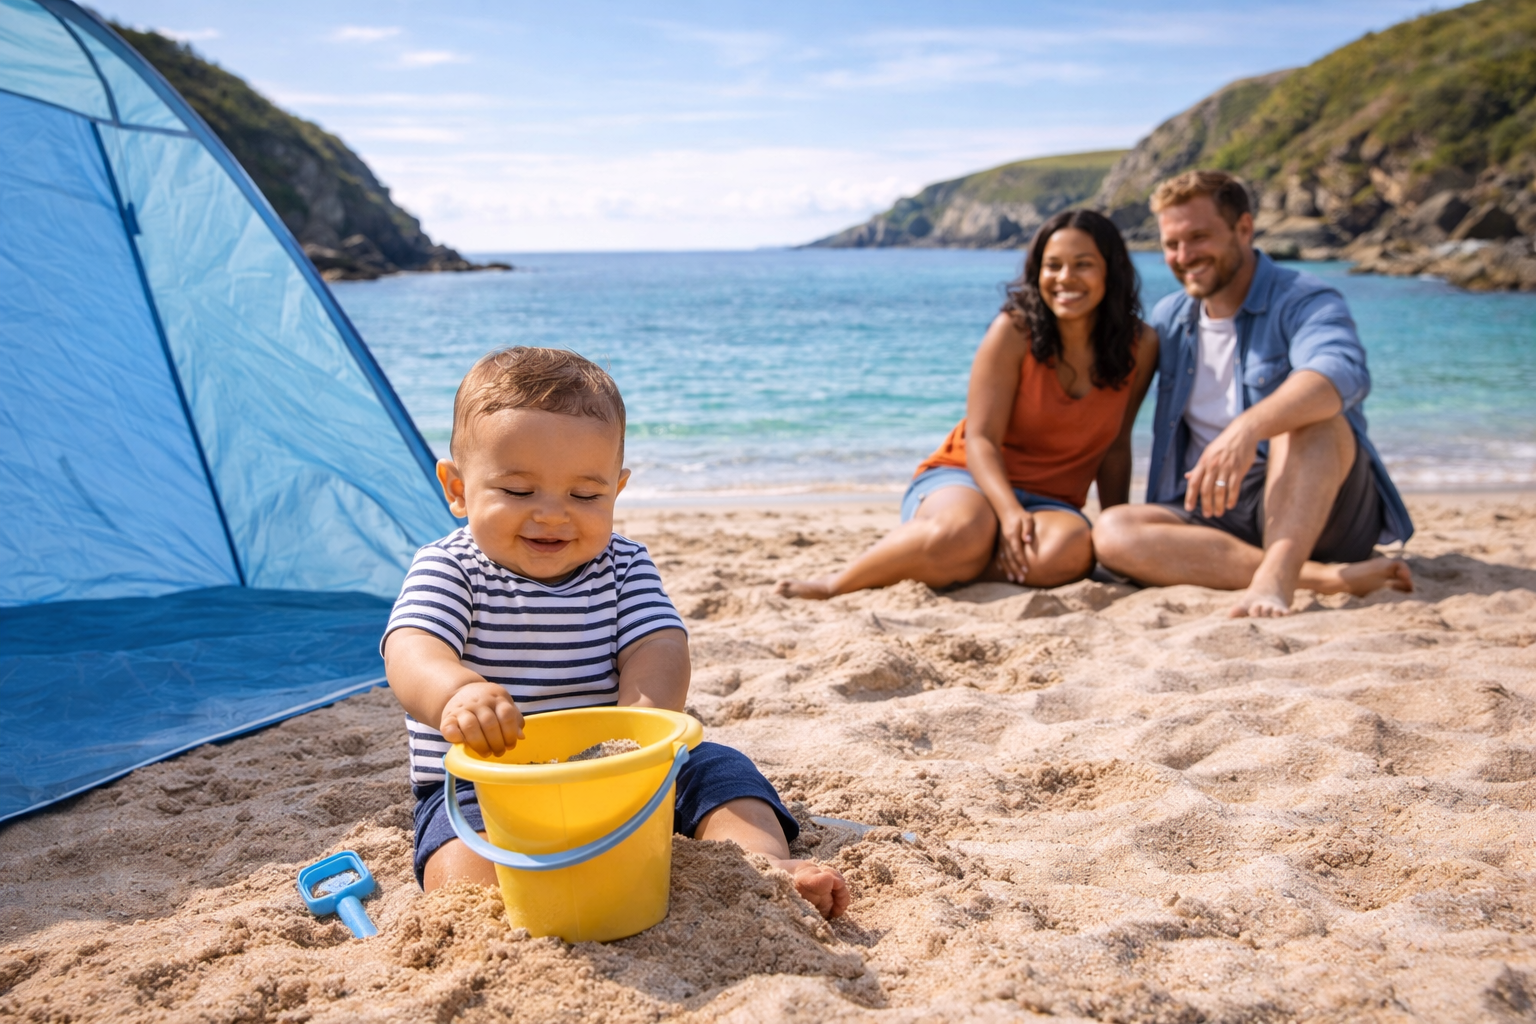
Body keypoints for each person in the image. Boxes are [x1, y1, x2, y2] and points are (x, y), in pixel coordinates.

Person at [383, 347, 849, 919]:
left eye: (585, 495)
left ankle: (760, 864)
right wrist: (455, 692)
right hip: (494, 783)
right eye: (519, 491)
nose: (553, 514)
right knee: (459, 866)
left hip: (625, 773)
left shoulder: (623, 564)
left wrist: (641, 724)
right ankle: (484, 914)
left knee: (720, 773)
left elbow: (657, 644)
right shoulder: (450, 567)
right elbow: (411, 648)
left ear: (617, 489)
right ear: (457, 488)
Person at [778, 210, 1157, 600]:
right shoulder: (1013, 330)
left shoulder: (1140, 346)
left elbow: (1116, 446)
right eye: (1053, 265)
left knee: (1070, 553)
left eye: (1083, 265)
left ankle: (957, 560)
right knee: (963, 531)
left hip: (1052, 502)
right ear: (1037, 272)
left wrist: (1117, 541)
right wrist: (1009, 514)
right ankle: (835, 584)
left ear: (1111, 271)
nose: (1065, 278)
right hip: (966, 478)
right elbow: (981, 439)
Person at [1093, 170, 1415, 617]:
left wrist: (1248, 428)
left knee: (1309, 419)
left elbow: (1340, 371)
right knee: (1112, 532)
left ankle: (1278, 579)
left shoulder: (1304, 299)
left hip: (1322, 509)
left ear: (1244, 229)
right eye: (1171, 244)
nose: (1184, 256)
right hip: (1217, 514)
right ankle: (1319, 578)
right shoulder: (1170, 318)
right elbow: (1109, 411)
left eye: (1199, 237)